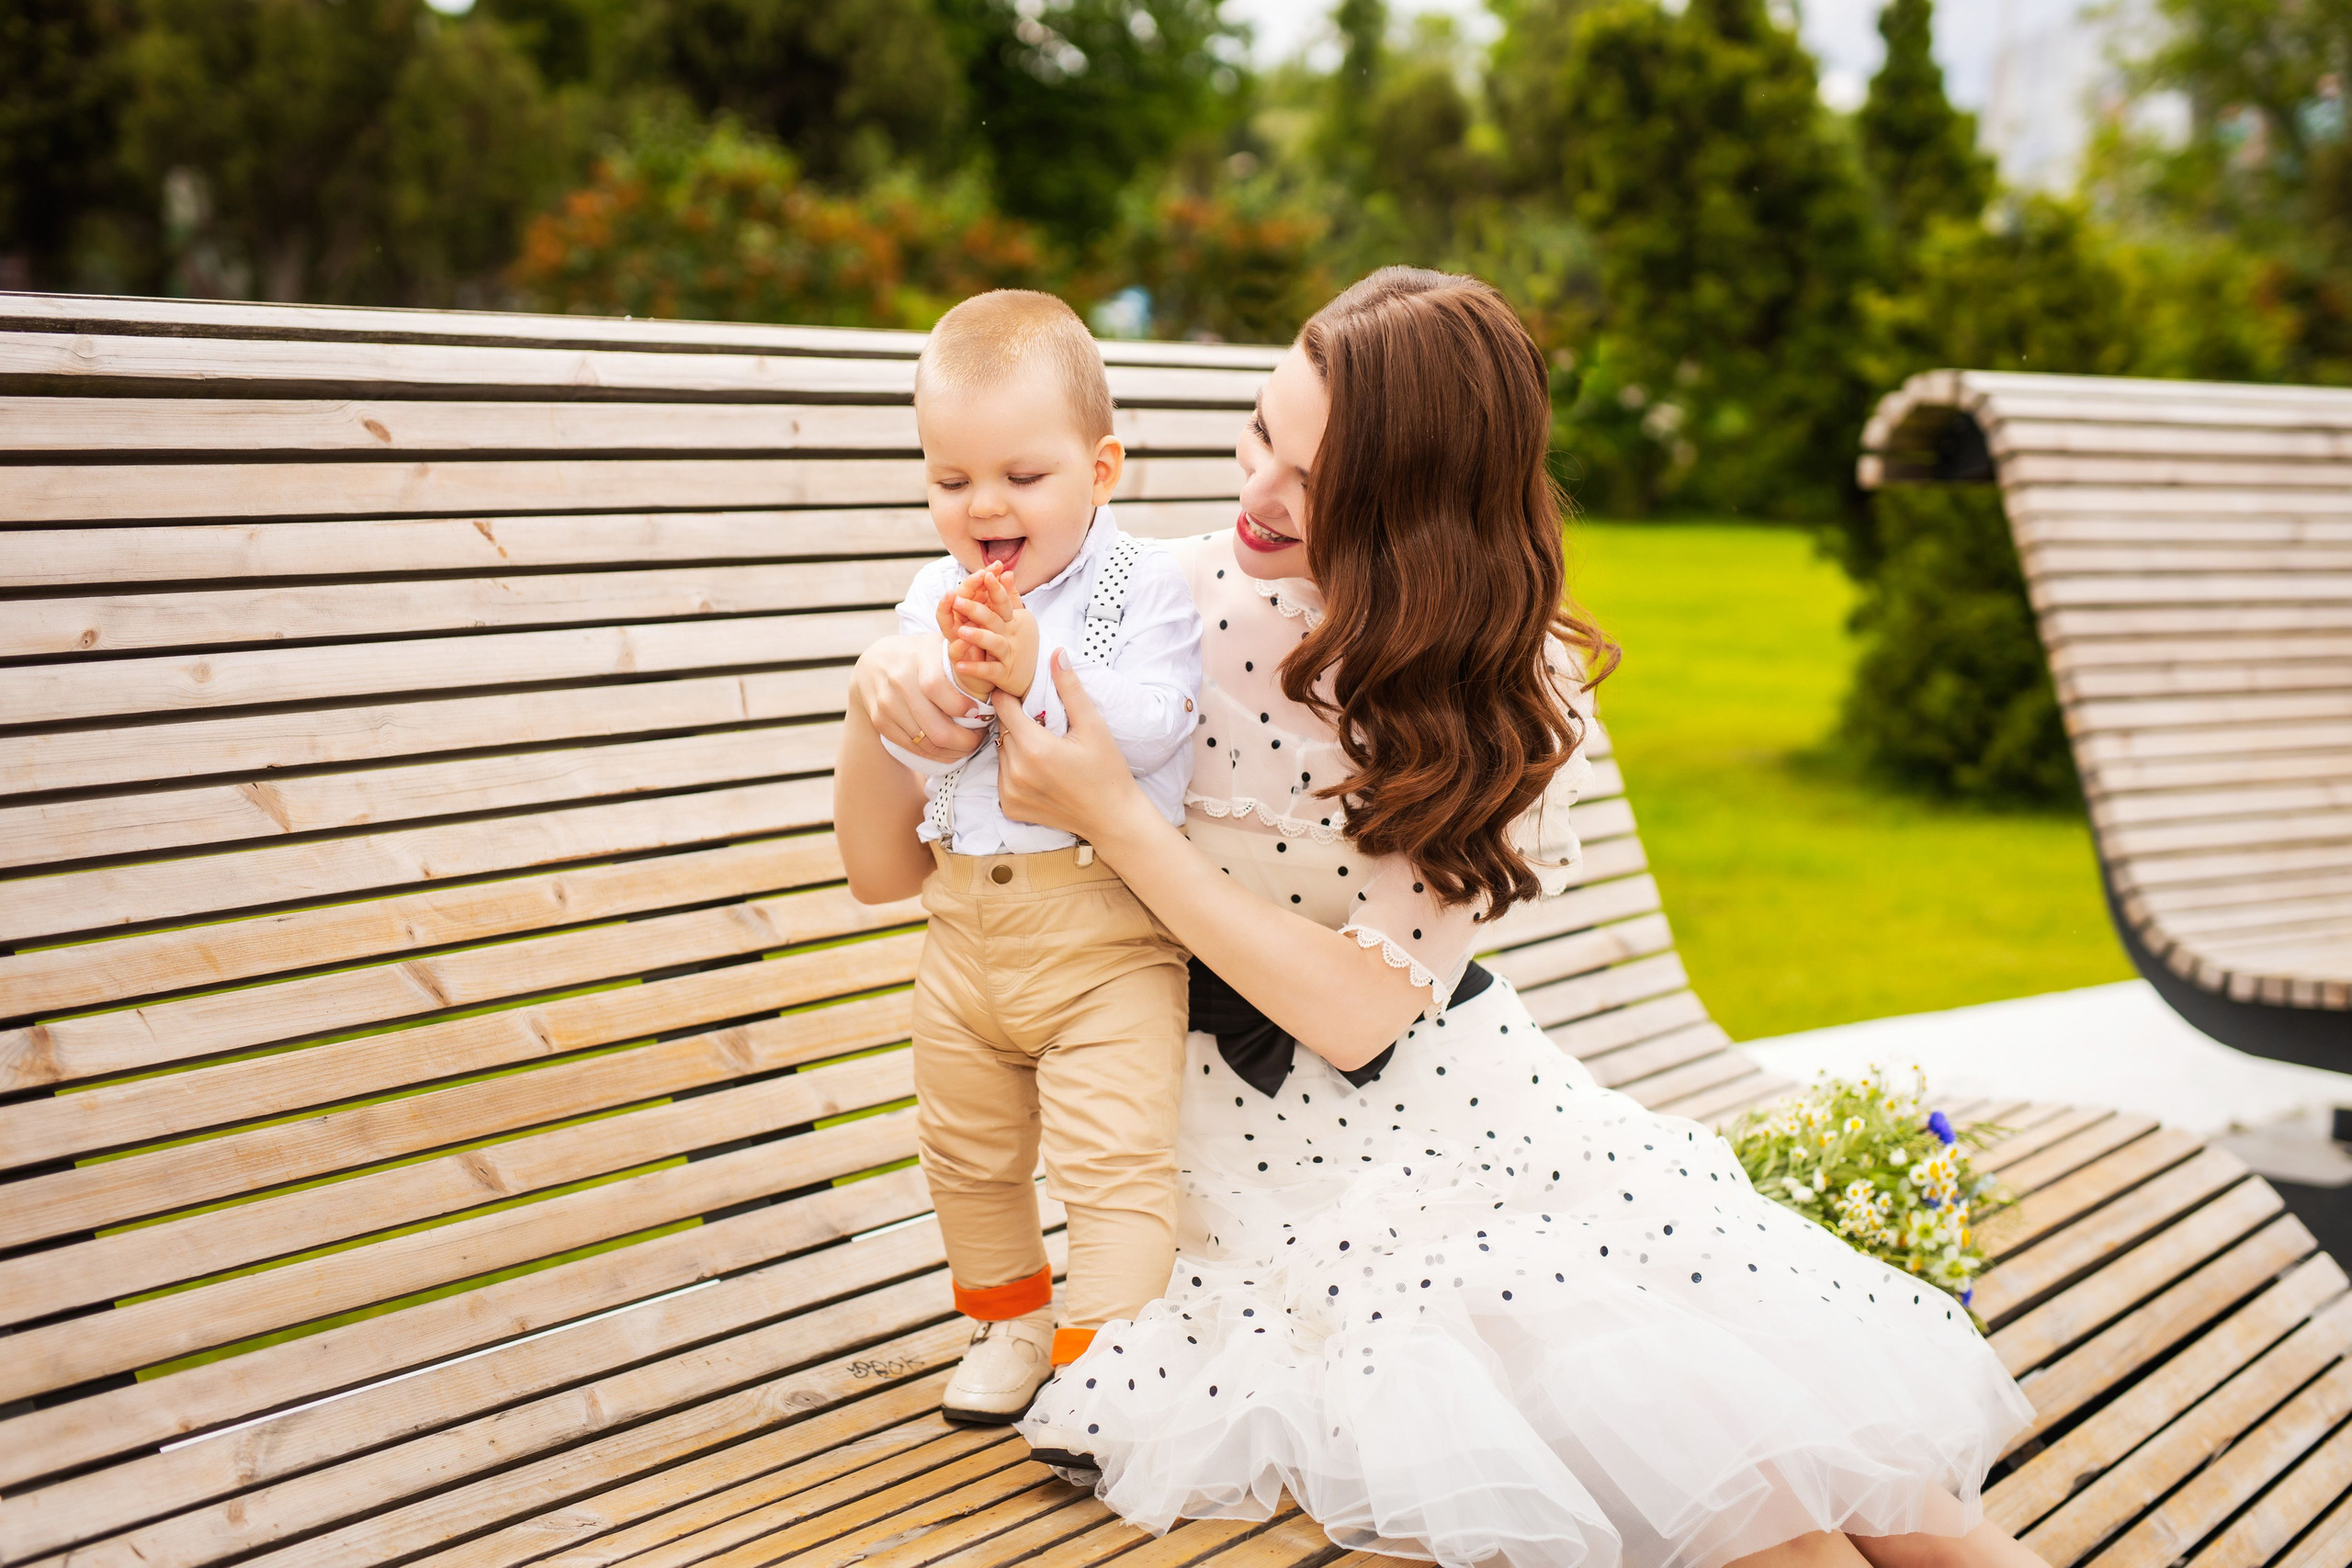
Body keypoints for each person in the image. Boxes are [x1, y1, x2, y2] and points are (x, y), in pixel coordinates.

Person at [849, 269, 2047, 1568]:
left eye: (1319, 483)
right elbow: (888, 863)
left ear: (1418, 512)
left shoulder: (1502, 682)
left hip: (1455, 1119)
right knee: (1764, 1528)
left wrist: (1121, 822)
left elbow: (1361, 1011)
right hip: (1225, 1161)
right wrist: (876, 685)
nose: (1258, 496)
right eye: (1261, 434)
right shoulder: (1150, 603)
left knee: (1839, 1476)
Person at [833, 289, 1205, 1428]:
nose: (983, 506)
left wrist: (1031, 666)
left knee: (1112, 1161)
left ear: (1101, 469)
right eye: (950, 482)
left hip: (1105, 938)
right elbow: (920, 739)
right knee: (963, 1148)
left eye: (1021, 478)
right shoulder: (930, 595)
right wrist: (921, 686)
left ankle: (1108, 1365)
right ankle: (1009, 1324)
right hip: (964, 930)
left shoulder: (1142, 588)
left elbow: (1156, 721)